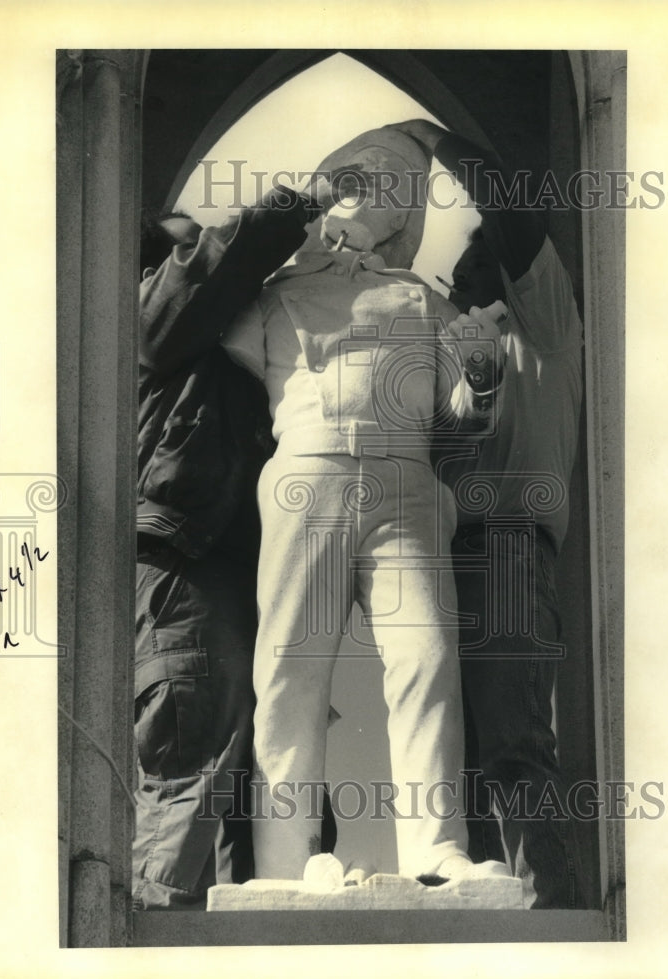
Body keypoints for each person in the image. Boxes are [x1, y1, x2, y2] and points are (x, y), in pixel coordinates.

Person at [222, 123, 507, 885]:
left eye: (385, 187)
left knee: (426, 661)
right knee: (288, 668)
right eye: (353, 181)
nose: (364, 196)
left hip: (406, 481)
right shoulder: (268, 296)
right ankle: (282, 862)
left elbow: (461, 420)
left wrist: (479, 381)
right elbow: (204, 330)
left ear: (406, 214)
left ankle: (437, 850)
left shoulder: (426, 303)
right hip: (305, 476)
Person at [400, 120, 587, 908]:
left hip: (508, 552)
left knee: (511, 745)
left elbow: (507, 206)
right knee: (461, 765)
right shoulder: (461, 353)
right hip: (452, 557)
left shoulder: (540, 319)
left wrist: (428, 137)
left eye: (474, 257)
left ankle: (554, 914)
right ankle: (484, 922)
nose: (455, 270)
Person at [132, 189, 326, 909]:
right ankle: (146, 938)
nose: (202, 256)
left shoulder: (228, 363)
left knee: (258, 756)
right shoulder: (157, 319)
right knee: (197, 747)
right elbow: (214, 267)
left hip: (229, 568)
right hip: (183, 565)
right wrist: (291, 207)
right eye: (186, 247)